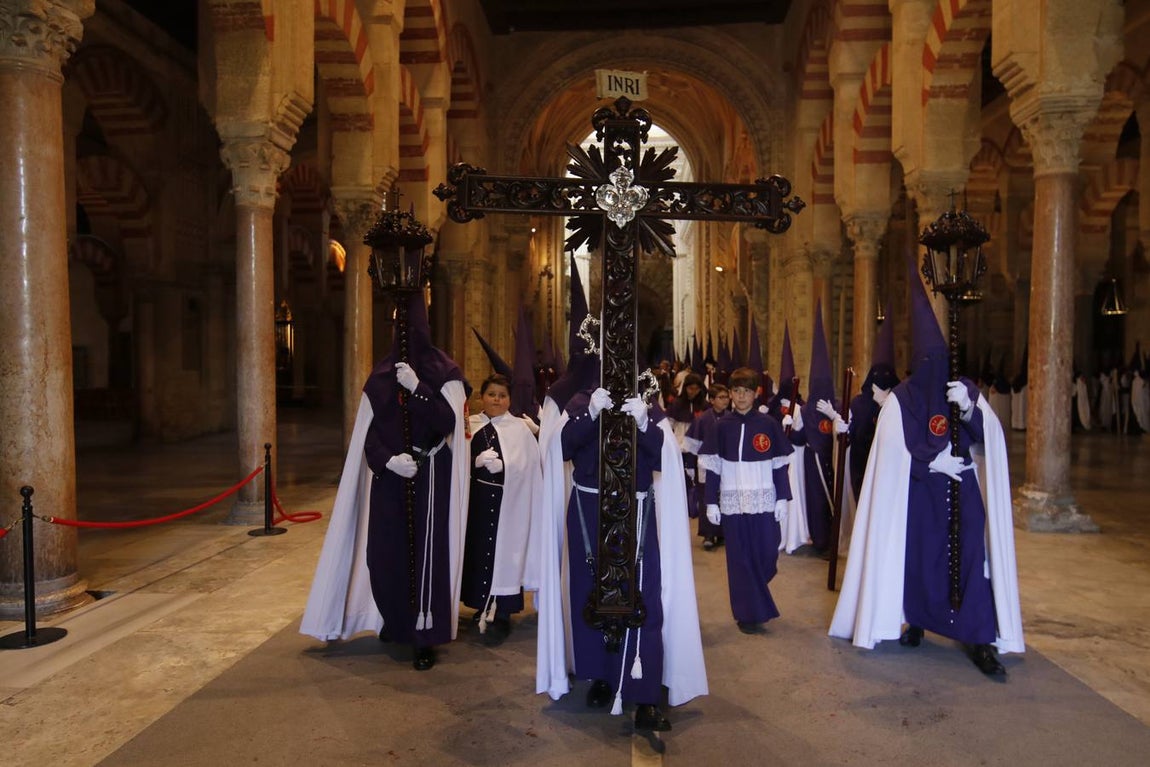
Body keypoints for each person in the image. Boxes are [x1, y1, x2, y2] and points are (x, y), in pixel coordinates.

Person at [530, 261, 707, 734]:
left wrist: (646, 423)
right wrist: (588, 415)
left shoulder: (646, 401)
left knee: (643, 598)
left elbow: (661, 460)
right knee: (590, 594)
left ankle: (645, 692)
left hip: (638, 513)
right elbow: (562, 450)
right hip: (588, 511)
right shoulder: (579, 400)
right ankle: (602, 677)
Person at [829, 264, 1024, 677]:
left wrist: (969, 409)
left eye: (941, 360)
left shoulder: (963, 389)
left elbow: (988, 437)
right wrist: (929, 461)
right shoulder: (902, 399)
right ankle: (917, 619)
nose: (934, 367)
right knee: (921, 560)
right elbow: (889, 453)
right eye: (927, 361)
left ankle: (980, 637)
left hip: (963, 492)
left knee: (970, 560)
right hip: (920, 496)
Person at [300, 292, 470, 672]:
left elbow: (447, 423)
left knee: (426, 558)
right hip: (391, 478)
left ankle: (424, 635)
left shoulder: (444, 372)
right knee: (385, 554)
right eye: (399, 326)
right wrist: (388, 461)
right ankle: (395, 620)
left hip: (429, 475)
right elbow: (368, 434)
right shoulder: (380, 376)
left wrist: (417, 389)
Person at [699, 367, 794, 634]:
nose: (741, 396)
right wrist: (711, 502)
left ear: (756, 394)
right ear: (730, 393)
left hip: (764, 500)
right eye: (736, 391)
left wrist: (782, 498)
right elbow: (713, 467)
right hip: (733, 502)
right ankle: (747, 613)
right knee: (739, 560)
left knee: (768, 551)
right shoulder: (721, 427)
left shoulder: (768, 425)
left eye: (747, 391)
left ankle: (754, 596)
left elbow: (779, 465)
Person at [461, 373, 541, 644]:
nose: (497, 400)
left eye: (502, 395)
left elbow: (531, 467)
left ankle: (502, 611)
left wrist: (506, 467)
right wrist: (474, 460)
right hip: (477, 504)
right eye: (492, 394)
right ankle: (481, 605)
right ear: (482, 397)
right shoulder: (470, 425)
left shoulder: (519, 429)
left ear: (509, 400)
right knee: (478, 552)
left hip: (509, 505)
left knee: (504, 554)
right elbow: (455, 462)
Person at [684, 382, 730, 549]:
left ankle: (723, 533)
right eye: (721, 397)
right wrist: (690, 465)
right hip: (706, 465)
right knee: (707, 499)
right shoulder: (702, 419)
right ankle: (709, 534)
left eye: (726, 397)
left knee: (725, 497)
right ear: (711, 400)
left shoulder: (731, 417)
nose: (725, 400)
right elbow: (692, 445)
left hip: (726, 464)